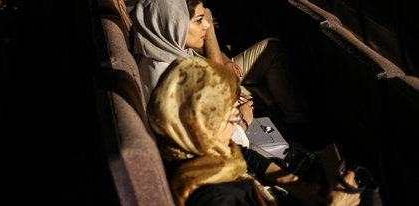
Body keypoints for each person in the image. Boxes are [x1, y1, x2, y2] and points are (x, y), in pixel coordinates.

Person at [147, 57, 362, 206]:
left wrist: (295, 184)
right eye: (231, 114)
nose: (237, 120)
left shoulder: (188, 147)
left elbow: (241, 151)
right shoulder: (214, 197)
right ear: (204, 123)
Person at [132, 0, 308, 128]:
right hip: (232, 144)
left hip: (226, 112)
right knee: (270, 102)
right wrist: (244, 118)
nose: (207, 25)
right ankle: (299, 128)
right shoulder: (176, 78)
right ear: (174, 24)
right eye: (199, 20)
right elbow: (220, 138)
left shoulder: (164, 51)